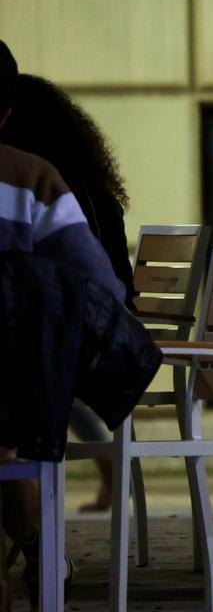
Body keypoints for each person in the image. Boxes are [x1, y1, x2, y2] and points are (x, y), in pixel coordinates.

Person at [0, 40, 133, 610]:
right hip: (58, 362)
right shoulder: (57, 185)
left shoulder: (32, 181)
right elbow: (110, 292)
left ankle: (36, 546)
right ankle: (40, 548)